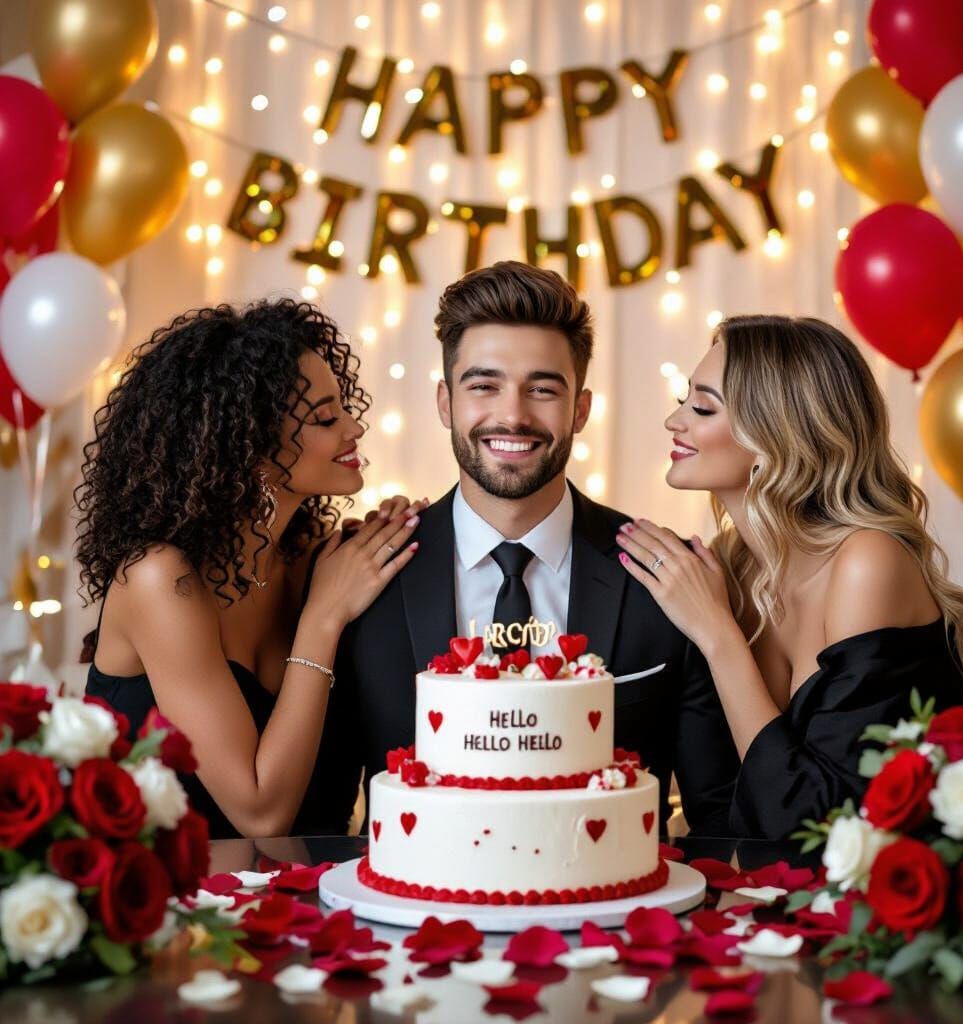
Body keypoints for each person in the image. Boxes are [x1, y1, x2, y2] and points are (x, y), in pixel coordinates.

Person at [331, 261, 738, 833]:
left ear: (581, 409)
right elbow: (318, 822)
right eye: (484, 386)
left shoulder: (663, 578)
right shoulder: (362, 574)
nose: (513, 415)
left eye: (542, 389)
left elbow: (720, 821)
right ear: (445, 403)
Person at [616, 314, 963, 840]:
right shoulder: (729, 565)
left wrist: (719, 635)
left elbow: (818, 821)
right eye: (685, 400)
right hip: (772, 898)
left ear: (777, 433)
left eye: (702, 407)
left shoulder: (866, 563)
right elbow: (721, 801)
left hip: (899, 902)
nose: (673, 422)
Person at [78, 299, 424, 839]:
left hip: (319, 904)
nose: (354, 427)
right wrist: (323, 619)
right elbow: (261, 812)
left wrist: (396, 540)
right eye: (326, 418)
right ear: (251, 449)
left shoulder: (311, 555)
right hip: (178, 910)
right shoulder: (160, 579)